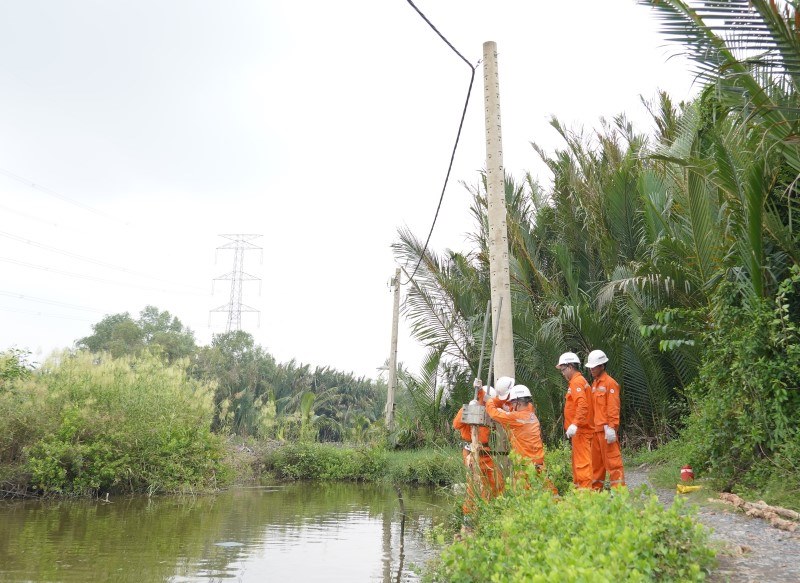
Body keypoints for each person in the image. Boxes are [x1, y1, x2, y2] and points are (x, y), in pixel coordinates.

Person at [452, 377, 513, 516]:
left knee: (497, 481)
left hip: (486, 451)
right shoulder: (469, 409)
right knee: (473, 485)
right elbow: (456, 425)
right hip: (471, 452)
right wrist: (467, 410)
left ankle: (494, 510)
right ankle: (469, 515)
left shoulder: (487, 411)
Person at [485, 383, 555, 493]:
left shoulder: (516, 418)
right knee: (548, 492)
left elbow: (494, 414)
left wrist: (490, 401)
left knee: (522, 495)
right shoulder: (531, 413)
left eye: (513, 403)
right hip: (539, 462)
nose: (511, 406)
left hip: (525, 465)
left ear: (518, 402)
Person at [586, 349, 626, 490]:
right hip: (596, 431)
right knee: (596, 466)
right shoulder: (595, 384)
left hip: (605, 430)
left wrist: (612, 427)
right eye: (590, 366)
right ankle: (596, 493)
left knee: (613, 463)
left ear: (602, 366)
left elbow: (613, 407)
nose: (591, 369)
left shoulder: (610, 383)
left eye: (594, 366)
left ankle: (619, 493)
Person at [557, 352, 594, 489]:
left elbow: (582, 405)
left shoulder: (577, 382)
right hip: (581, 430)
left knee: (582, 464)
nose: (562, 373)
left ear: (570, 367)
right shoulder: (579, 381)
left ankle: (585, 494)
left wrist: (575, 424)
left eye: (563, 369)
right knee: (579, 463)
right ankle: (580, 491)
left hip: (581, 431)